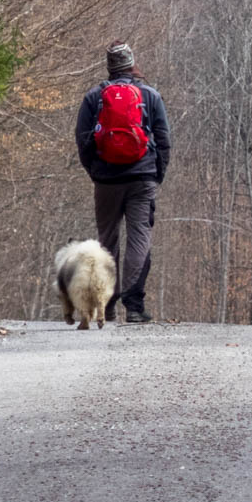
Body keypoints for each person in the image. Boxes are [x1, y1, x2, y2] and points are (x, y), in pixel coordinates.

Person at [75, 42, 171, 324]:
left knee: (107, 241)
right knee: (139, 239)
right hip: (142, 178)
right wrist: (156, 174)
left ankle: (107, 305)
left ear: (109, 67)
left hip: (105, 178)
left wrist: (94, 171)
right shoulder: (150, 95)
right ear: (132, 64)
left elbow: (83, 140)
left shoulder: (94, 97)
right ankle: (134, 306)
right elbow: (164, 141)